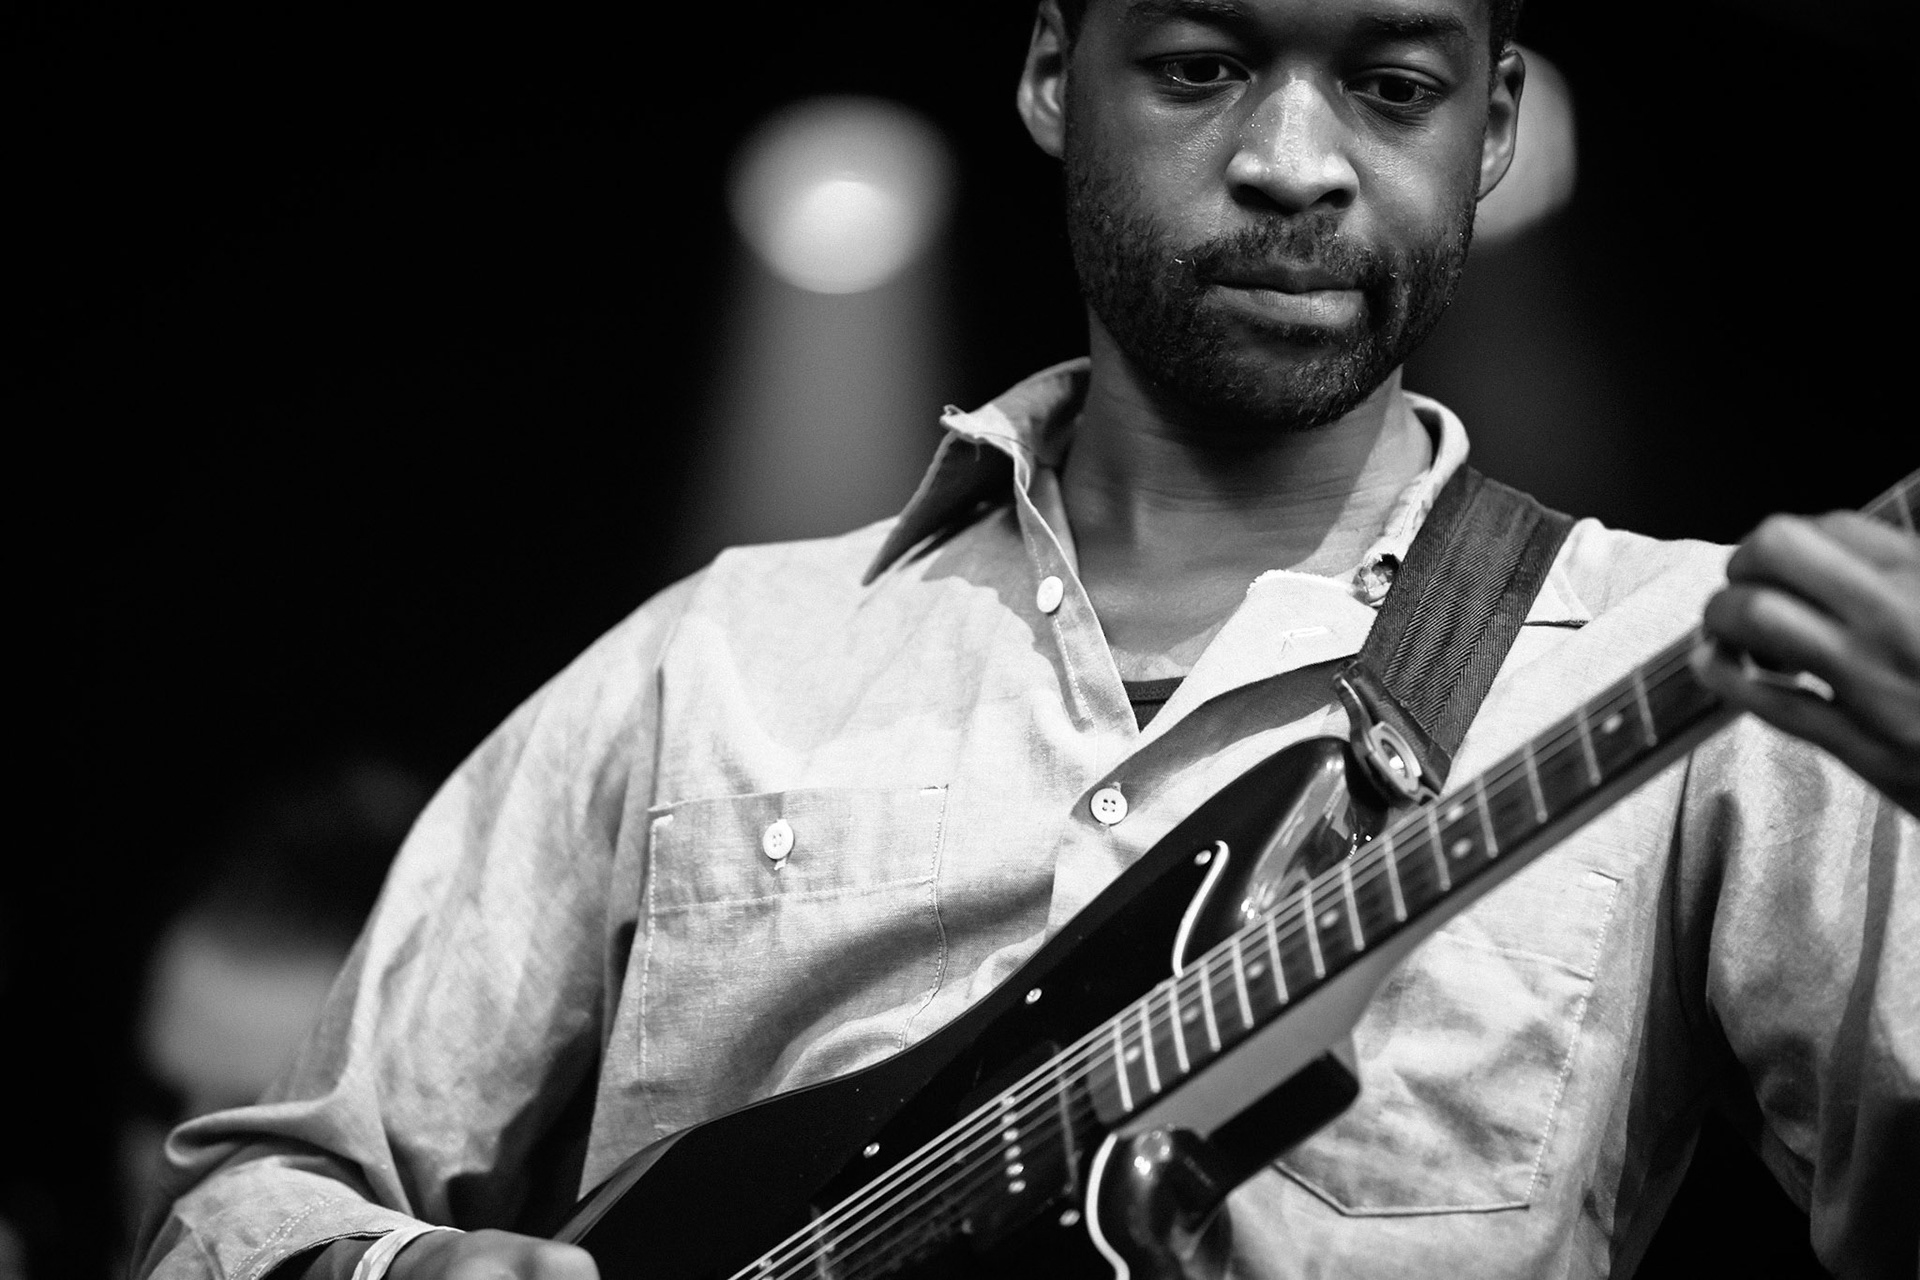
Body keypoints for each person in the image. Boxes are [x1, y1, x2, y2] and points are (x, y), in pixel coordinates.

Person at [136, 0, 1920, 1277]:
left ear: (1498, 124)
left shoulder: (1695, 657)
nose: (1293, 163)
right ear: (1057, 71)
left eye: (1392, 86)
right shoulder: (723, 655)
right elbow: (238, 1201)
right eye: (1203, 67)